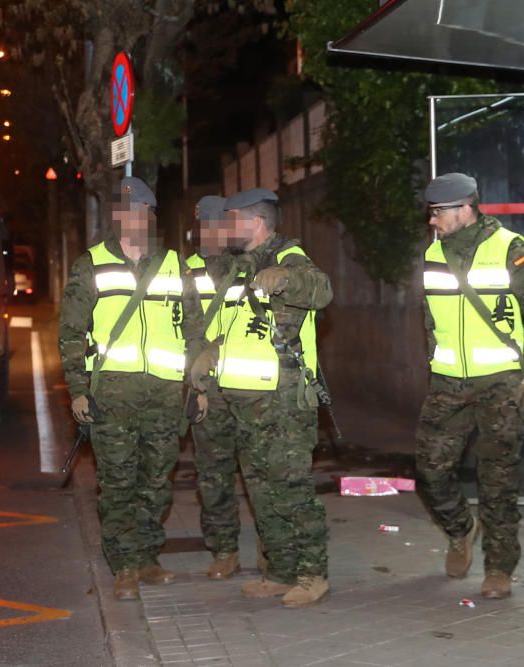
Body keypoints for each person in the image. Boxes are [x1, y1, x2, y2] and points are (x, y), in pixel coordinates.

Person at [58, 176, 205, 601]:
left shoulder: (175, 265)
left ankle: (147, 557)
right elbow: (70, 330)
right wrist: (77, 389)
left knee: (156, 481)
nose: (132, 219)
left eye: (140, 211)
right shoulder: (92, 264)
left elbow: (195, 331)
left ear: (150, 216)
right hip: (112, 395)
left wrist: (199, 386)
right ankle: (122, 564)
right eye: (125, 212)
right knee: (118, 482)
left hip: (163, 395)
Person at [189, 188, 332, 608]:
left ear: (254, 223)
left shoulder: (289, 256)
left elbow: (320, 289)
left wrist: (287, 279)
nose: (224, 228)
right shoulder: (238, 267)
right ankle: (280, 571)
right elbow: (237, 325)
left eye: (231, 220)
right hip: (244, 402)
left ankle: (312, 572)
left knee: (291, 489)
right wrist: (210, 353)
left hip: (282, 402)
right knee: (262, 492)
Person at [416, 172, 524, 599]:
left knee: (497, 480)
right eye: (431, 212)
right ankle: (461, 529)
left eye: (438, 212)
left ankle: (499, 569)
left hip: (501, 384)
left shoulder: (509, 248)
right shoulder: (434, 252)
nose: (432, 221)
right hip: (448, 383)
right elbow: (430, 319)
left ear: (464, 208)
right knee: (429, 468)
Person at [186, 195, 244, 579]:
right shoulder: (183, 271)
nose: (210, 233)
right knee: (213, 474)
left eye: (216, 225)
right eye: (203, 225)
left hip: (251, 385)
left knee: (260, 472)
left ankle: (275, 549)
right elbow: (182, 330)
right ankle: (224, 550)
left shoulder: (248, 265)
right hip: (207, 388)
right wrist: (197, 386)